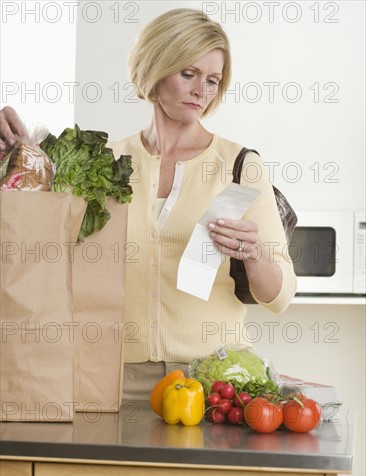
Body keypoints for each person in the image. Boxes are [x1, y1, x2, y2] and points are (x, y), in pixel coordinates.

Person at [0, 8, 297, 400]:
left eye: (212, 80)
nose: (201, 92)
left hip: (215, 379)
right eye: (188, 74)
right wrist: (15, 162)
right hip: (112, 377)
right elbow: (44, 252)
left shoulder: (240, 165)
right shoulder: (103, 162)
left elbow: (280, 296)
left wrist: (254, 253)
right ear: (155, 70)